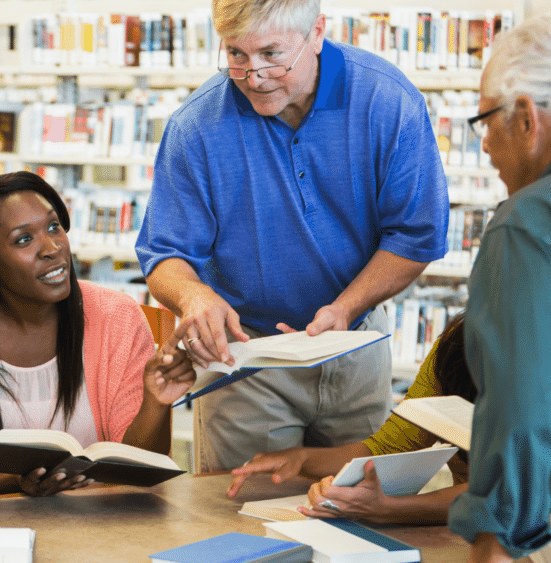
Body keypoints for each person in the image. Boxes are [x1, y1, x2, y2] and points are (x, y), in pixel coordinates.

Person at [134, 0, 449, 472]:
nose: (252, 75)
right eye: (236, 53)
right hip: (246, 359)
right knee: (236, 517)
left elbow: (416, 234)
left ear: (317, 33)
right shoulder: (195, 126)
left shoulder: (388, 101)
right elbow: (165, 253)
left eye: (271, 54)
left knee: (357, 507)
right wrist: (193, 295)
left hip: (354, 343)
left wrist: (346, 308)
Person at [0, 171, 197, 497]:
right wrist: (18, 482)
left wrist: (155, 404)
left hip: (106, 527)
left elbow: (144, 468)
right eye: (24, 239)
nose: (52, 248)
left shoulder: (117, 318)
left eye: (54, 227)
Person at [444, 15, 551, 563]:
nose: (484, 143)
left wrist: (493, 540)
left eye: (486, 119)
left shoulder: (524, 225)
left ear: (528, 118)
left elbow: (522, 412)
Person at [226, 313, 474, 525]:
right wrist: (301, 459)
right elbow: (387, 448)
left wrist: (389, 509)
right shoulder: (454, 347)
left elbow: (504, 495)